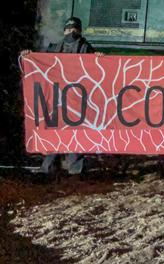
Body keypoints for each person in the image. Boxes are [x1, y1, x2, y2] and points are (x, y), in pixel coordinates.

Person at [21, 16, 104, 175]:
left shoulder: (86, 48)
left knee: (77, 132)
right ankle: (49, 167)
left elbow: (96, 69)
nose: (71, 32)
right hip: (57, 98)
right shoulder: (54, 48)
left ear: (79, 31)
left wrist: (99, 58)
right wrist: (29, 56)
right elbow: (40, 64)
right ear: (64, 30)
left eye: (75, 29)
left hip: (78, 98)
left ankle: (75, 169)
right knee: (55, 130)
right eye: (69, 29)